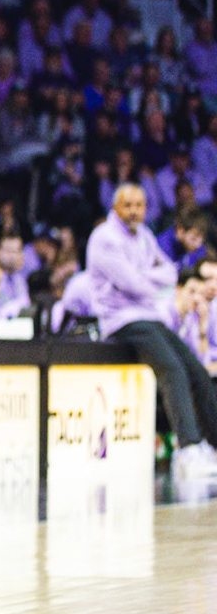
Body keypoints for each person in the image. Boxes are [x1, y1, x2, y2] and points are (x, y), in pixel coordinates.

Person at [85, 184, 217, 466]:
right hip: (121, 318)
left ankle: (214, 445)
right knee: (172, 369)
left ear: (146, 208)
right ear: (115, 207)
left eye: (139, 205)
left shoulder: (144, 235)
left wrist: (145, 276)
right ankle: (189, 448)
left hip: (149, 316)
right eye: (128, 205)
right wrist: (149, 278)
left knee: (196, 371)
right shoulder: (104, 238)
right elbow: (132, 284)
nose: (134, 211)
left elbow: (170, 273)